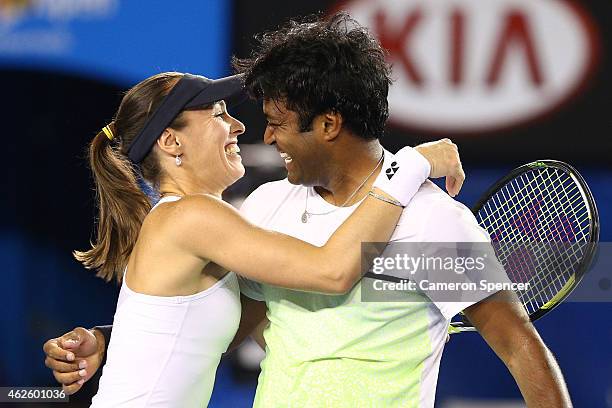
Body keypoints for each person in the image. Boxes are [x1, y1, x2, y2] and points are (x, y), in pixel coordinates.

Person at [43, 12, 572, 408]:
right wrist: (409, 165)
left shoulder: (432, 222)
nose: (261, 135)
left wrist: (110, 344)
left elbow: (520, 348)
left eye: (276, 121)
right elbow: (305, 283)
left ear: (328, 124)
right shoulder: (265, 206)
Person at [42, 66, 462, 408]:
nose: (240, 125)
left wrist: (106, 340)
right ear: (171, 141)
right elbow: (333, 271)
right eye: (219, 114)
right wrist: (407, 167)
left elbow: (183, 330)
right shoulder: (192, 217)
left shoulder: (191, 222)